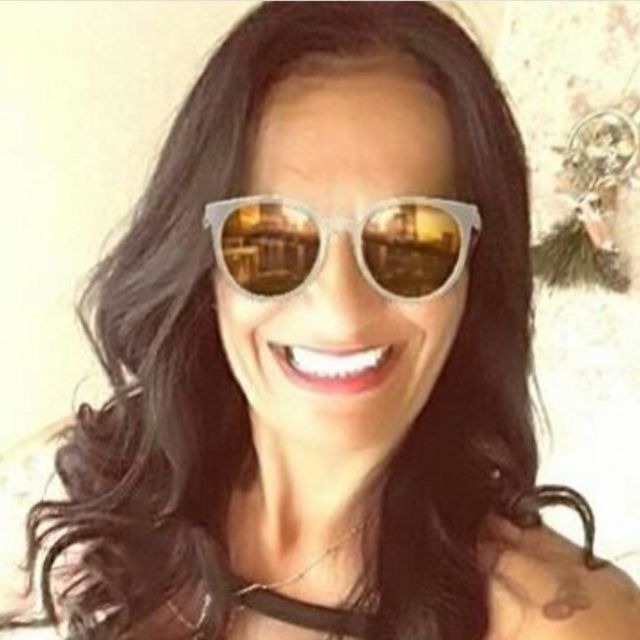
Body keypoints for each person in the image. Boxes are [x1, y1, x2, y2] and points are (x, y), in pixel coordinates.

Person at [2, 2, 639, 639]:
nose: (341, 311)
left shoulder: (566, 624)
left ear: (475, 272)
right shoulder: (105, 495)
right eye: (270, 237)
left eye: (412, 240)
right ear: (202, 264)